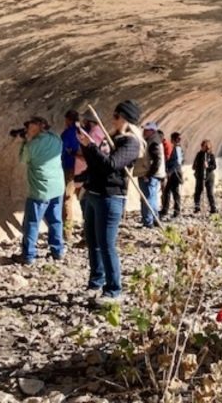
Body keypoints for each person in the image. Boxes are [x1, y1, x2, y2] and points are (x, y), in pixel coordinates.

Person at [77, 100, 145, 304]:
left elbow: (111, 165)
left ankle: (113, 290)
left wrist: (92, 147)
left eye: (116, 116)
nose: (113, 119)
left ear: (126, 119)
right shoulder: (112, 138)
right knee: (93, 242)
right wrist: (87, 147)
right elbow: (97, 164)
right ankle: (95, 283)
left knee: (107, 245)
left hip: (110, 197)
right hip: (94, 193)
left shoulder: (131, 143)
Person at [16, 116, 66, 265]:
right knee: (56, 220)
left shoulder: (32, 146)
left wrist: (25, 141)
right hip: (57, 186)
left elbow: (23, 160)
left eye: (29, 126)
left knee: (32, 223)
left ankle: (28, 255)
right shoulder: (56, 138)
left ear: (37, 126)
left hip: (40, 189)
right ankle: (58, 251)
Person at [137, 122, 166, 227]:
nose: (144, 131)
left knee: (148, 198)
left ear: (152, 131)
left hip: (150, 175)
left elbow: (157, 160)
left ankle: (148, 221)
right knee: (152, 197)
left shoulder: (153, 142)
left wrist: (148, 175)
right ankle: (154, 219)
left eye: (146, 130)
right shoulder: (155, 140)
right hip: (153, 174)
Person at [59, 110, 82, 240]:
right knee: (84, 198)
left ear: (68, 120)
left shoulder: (67, 133)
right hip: (84, 169)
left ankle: (67, 233)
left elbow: (62, 151)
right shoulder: (83, 131)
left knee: (67, 199)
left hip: (69, 168)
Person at [160, 132, 184, 219]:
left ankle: (174, 211)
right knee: (168, 192)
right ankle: (167, 210)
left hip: (174, 173)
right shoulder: (179, 149)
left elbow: (176, 162)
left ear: (173, 139)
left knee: (173, 192)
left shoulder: (177, 149)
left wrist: (168, 172)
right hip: (175, 172)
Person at [193, 139, 217, 213]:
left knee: (210, 192)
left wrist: (208, 166)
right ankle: (197, 207)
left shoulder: (211, 155)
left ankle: (213, 208)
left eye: (204, 146)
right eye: (202, 146)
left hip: (209, 176)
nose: (202, 148)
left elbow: (214, 166)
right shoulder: (199, 154)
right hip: (200, 176)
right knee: (197, 192)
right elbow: (195, 164)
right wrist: (195, 168)